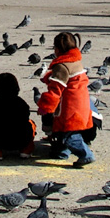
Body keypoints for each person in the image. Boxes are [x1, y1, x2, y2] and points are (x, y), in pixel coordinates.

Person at [37, 32, 96, 167]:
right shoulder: (75, 61)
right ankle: (62, 153)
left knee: (69, 135)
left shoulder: (61, 66)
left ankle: (86, 155)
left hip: (70, 106)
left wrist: (45, 107)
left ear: (57, 49)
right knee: (67, 132)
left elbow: (55, 90)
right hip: (82, 103)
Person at [0, 73, 36, 161]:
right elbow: (26, 117)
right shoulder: (21, 103)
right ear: (16, 87)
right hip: (21, 140)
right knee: (31, 124)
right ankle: (26, 150)